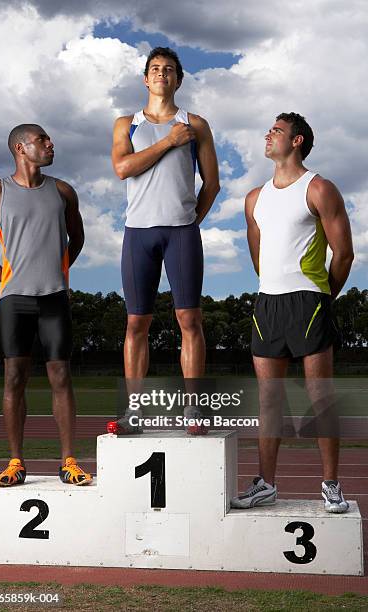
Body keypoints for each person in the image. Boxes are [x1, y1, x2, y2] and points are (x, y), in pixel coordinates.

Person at [231, 112, 354, 512]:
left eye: (277, 131)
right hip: (268, 303)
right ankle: (265, 483)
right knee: (269, 401)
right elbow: (258, 255)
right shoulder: (254, 198)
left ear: (297, 141)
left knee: (320, 398)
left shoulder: (318, 188)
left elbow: (344, 252)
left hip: (309, 300)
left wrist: (323, 296)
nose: (268, 135)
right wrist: (273, 287)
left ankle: (331, 484)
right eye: (269, 130)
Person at [0, 124, 92, 486]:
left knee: (61, 377)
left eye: (50, 138)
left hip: (54, 297)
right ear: (21, 148)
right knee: (14, 379)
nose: (50, 144)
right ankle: (15, 462)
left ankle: (69, 461)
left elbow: (77, 236)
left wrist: (59, 270)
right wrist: (6, 277)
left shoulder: (63, 192)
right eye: (42, 140)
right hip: (14, 301)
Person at [110, 47, 220, 434]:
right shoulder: (127, 123)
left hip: (181, 233)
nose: (162, 74)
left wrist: (189, 221)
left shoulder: (196, 124)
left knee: (189, 319)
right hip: (138, 232)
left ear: (178, 79)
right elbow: (123, 167)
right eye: (155, 69)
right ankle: (134, 410)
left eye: (169, 69)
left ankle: (193, 410)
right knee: (136, 322)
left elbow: (213, 183)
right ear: (145, 78)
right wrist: (169, 142)